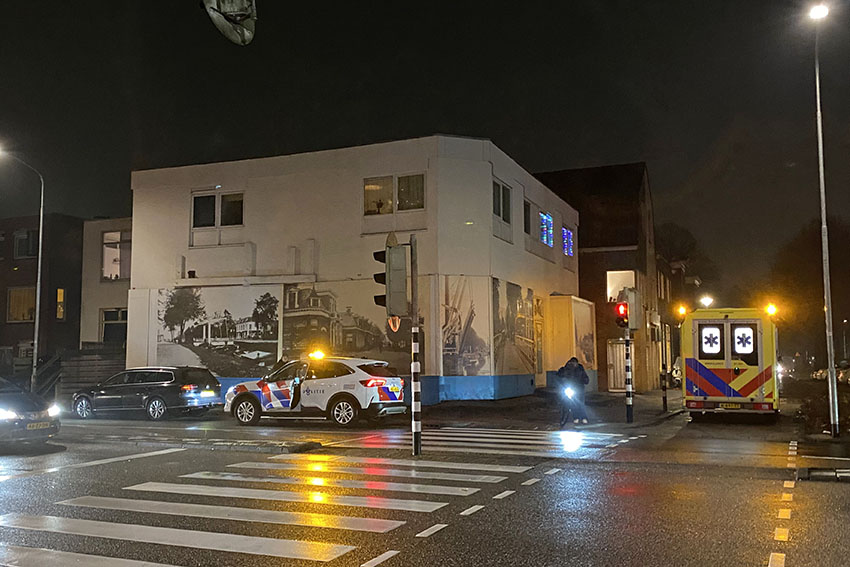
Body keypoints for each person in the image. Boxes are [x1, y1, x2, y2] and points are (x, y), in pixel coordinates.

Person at [557, 357, 590, 425]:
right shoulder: (566, 369)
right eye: (572, 363)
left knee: (580, 404)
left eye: (574, 363)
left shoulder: (580, 369)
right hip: (571, 388)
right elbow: (560, 375)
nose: (573, 364)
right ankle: (576, 417)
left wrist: (584, 380)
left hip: (579, 389)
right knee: (573, 404)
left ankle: (583, 417)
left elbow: (585, 378)